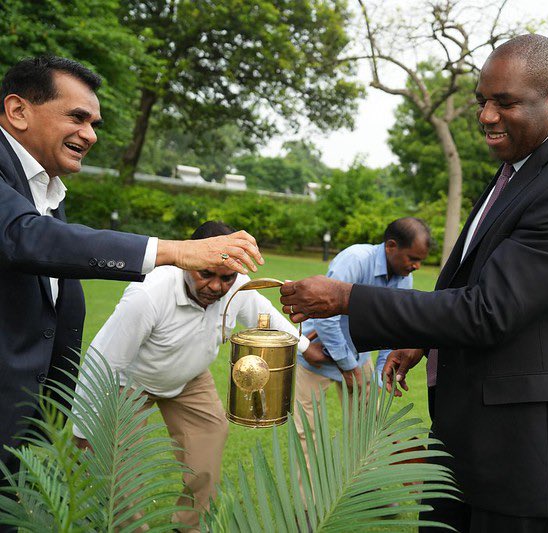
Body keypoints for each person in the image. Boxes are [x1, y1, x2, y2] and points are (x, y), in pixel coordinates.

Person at [279, 34, 548, 532]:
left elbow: (489, 311)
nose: (486, 116)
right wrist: (421, 336)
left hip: (523, 444)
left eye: (505, 102)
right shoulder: (519, 165)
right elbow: (473, 275)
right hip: (472, 430)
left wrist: (346, 298)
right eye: (483, 101)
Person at [0, 55, 263, 472]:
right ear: (18, 111)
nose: (90, 135)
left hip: (27, 408)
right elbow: (24, 237)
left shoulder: (47, 186)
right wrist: (175, 251)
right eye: (77, 118)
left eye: (94, 125)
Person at [71, 220, 323, 531]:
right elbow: (103, 360)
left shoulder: (237, 287)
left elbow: (263, 311)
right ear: (189, 260)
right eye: (206, 274)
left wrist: (305, 346)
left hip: (190, 379)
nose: (217, 287)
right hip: (130, 385)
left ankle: (188, 526)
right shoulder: (148, 295)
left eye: (226, 278)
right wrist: (83, 431)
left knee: (208, 450)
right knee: (121, 476)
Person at [292, 217, 430, 462]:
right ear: (391, 246)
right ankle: (314, 501)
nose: (417, 266)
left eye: (421, 260)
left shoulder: (404, 277)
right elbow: (325, 319)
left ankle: (369, 498)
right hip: (317, 355)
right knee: (308, 439)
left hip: (358, 359)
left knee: (367, 435)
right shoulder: (355, 259)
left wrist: (380, 375)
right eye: (413, 258)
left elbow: (391, 326)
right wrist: (347, 365)